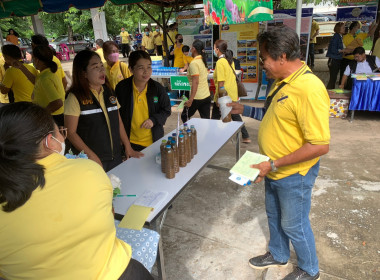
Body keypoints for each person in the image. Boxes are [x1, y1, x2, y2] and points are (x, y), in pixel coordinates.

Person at [0, 102, 153, 280]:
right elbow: (107, 216)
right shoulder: (88, 171)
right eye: (60, 132)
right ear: (49, 141)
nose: (63, 138)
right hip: (115, 274)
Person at [228, 26, 330, 280]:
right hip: (271, 166)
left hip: (293, 173)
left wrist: (273, 164)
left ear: (282, 56)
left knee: (294, 224)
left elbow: (319, 145)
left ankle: (309, 269)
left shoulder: (308, 88)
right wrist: (244, 109)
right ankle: (278, 252)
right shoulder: (281, 82)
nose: (263, 64)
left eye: (264, 58)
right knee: (273, 214)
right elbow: (271, 116)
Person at [64, 50, 143, 171]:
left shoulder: (109, 92)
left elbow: (118, 121)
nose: (102, 70)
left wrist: (128, 147)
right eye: (95, 67)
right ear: (83, 73)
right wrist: (91, 156)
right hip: (91, 160)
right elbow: (70, 133)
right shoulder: (75, 97)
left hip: (115, 156)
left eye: (102, 65)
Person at [115, 50, 171, 152]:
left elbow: (166, 110)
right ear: (131, 69)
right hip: (129, 143)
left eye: (149, 67)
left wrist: (153, 120)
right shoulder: (122, 88)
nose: (146, 71)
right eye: (141, 68)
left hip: (153, 142)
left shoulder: (157, 88)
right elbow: (116, 115)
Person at [212, 39, 250, 143]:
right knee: (234, 114)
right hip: (231, 93)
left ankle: (211, 137)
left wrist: (219, 98)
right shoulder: (230, 60)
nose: (213, 50)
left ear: (218, 49)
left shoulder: (220, 62)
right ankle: (245, 135)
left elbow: (221, 82)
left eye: (214, 47)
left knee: (215, 117)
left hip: (224, 94)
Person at [32, 45, 65, 127]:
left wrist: (42, 114)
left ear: (37, 60)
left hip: (54, 118)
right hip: (55, 116)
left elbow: (57, 103)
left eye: (33, 58)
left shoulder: (45, 78)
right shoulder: (47, 74)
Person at [181, 40, 211, 123]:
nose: (190, 49)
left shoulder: (194, 63)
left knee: (185, 116)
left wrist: (190, 100)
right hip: (206, 96)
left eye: (191, 47)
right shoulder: (202, 60)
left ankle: (189, 134)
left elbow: (196, 82)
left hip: (197, 97)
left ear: (194, 49)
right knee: (206, 121)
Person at [326, 22, 349, 89]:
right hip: (334, 60)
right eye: (343, 28)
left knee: (334, 78)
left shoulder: (339, 36)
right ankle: (329, 92)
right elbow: (334, 50)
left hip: (337, 59)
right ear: (339, 29)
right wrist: (343, 50)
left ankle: (330, 91)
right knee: (333, 79)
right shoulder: (336, 37)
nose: (344, 29)